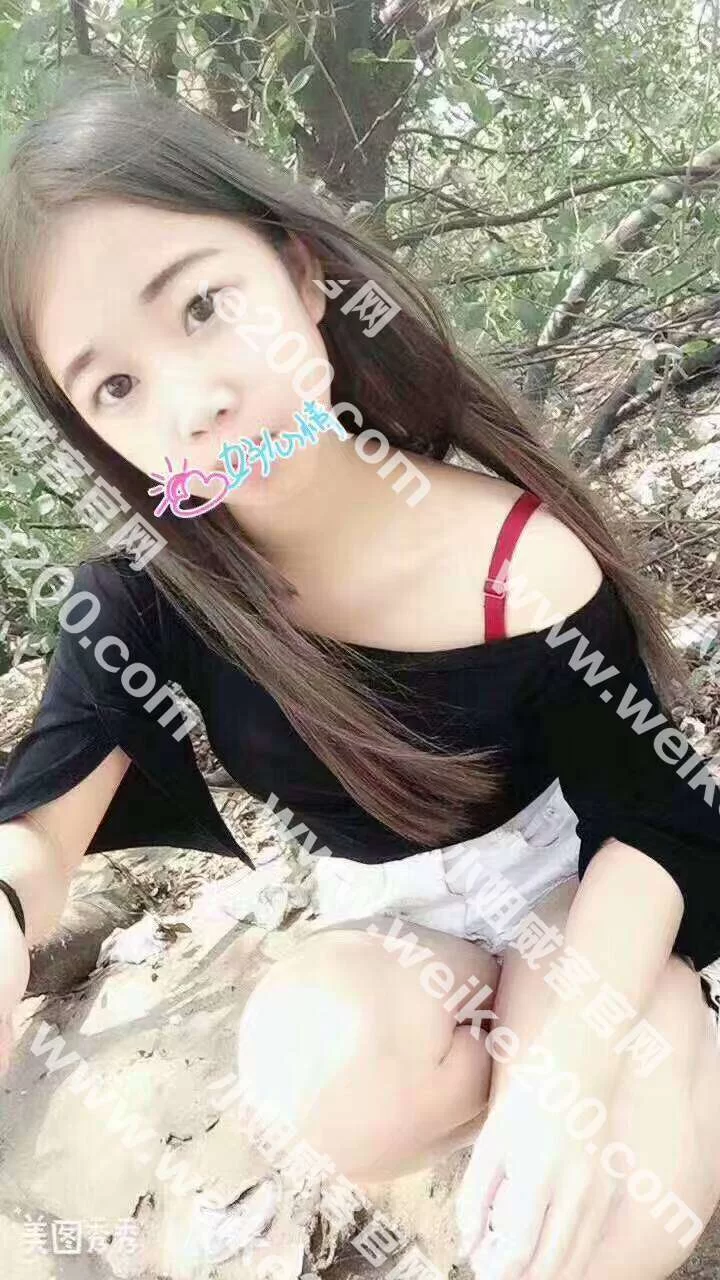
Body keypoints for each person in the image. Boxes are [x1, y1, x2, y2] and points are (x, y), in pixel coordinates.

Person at [0, 75, 718, 1280]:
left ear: (301, 276)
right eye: (114, 385)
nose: (194, 401)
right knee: (318, 1064)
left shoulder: (515, 559)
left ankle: (650, 1031)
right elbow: (41, 821)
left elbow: (657, 821)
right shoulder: (147, 597)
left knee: (593, 1219)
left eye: (203, 305)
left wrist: (566, 1065)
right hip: (399, 936)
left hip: (582, 890)